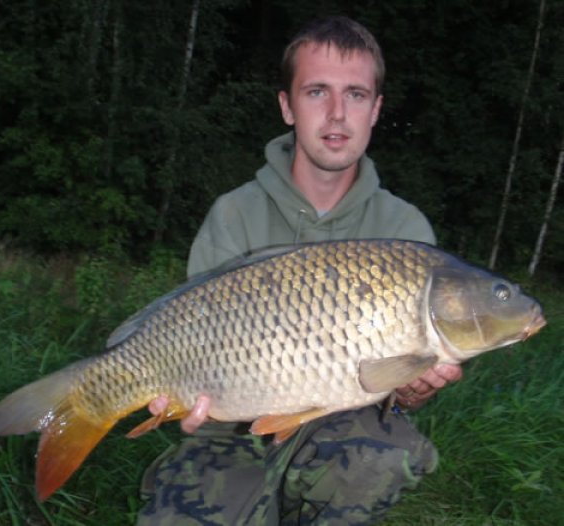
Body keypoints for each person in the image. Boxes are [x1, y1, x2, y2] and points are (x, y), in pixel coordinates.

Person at [137, 16, 462, 525]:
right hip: (232, 422)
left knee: (381, 457)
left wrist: (408, 391)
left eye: (356, 94)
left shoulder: (404, 229)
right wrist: (178, 393)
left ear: (376, 110)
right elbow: (189, 340)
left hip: (343, 423)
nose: (337, 113)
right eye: (317, 91)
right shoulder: (234, 214)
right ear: (287, 105)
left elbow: (391, 387)